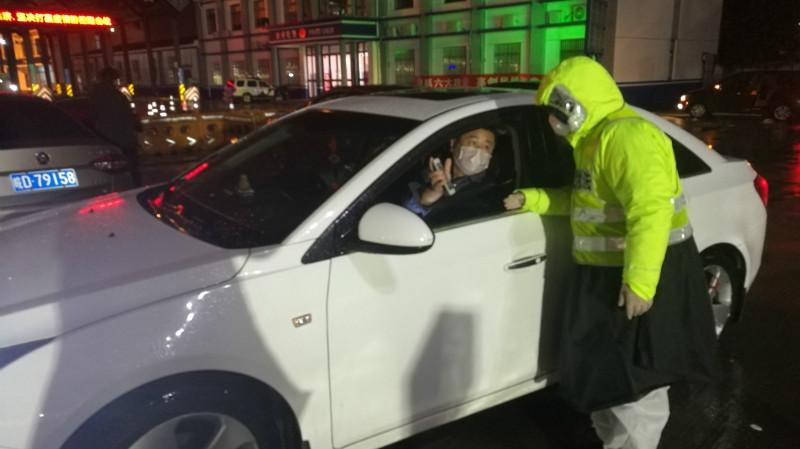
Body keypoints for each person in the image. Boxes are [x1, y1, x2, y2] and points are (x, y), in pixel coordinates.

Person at [504, 56, 719, 449]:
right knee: (607, 376)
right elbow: (586, 203)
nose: (552, 122)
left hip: (635, 273)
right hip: (604, 275)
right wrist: (532, 198)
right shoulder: (591, 142)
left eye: (556, 111)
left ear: (578, 104)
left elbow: (649, 211)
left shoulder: (626, 137)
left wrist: (639, 283)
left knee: (637, 381)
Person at [404, 128, 496, 217]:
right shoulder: (431, 174)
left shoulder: (489, 191)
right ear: (453, 144)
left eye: (486, 147)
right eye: (473, 142)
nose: (479, 150)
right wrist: (429, 197)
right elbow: (404, 213)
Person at [88, 67, 142, 187]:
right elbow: (127, 115)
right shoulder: (117, 96)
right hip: (123, 138)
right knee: (131, 167)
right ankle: (134, 187)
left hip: (106, 137)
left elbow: (93, 116)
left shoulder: (95, 96)